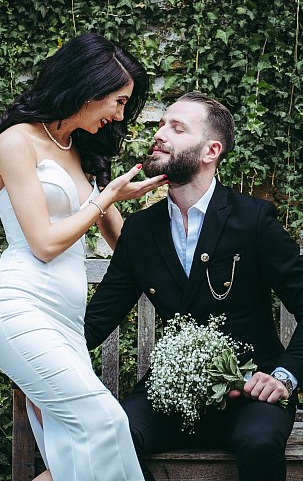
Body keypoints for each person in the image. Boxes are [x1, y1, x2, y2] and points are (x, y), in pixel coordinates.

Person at [0, 33, 167, 481]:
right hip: (18, 307)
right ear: (88, 87)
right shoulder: (16, 141)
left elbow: (124, 246)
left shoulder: (81, 155)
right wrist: (103, 200)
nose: (120, 115)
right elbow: (42, 242)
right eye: (118, 102)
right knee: (105, 422)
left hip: (64, 322)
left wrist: (137, 198)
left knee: (73, 455)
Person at [84, 91, 303, 481]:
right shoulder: (140, 230)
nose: (160, 133)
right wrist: (24, 342)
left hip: (252, 394)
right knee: (114, 437)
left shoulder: (253, 219)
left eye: (177, 127)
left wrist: (283, 377)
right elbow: (97, 320)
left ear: (210, 151)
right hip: (171, 394)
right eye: (162, 124)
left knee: (260, 442)